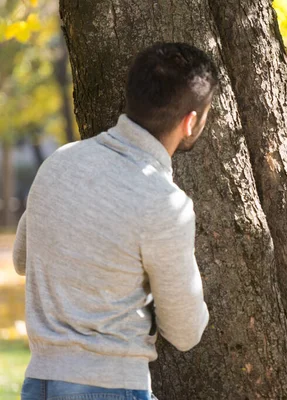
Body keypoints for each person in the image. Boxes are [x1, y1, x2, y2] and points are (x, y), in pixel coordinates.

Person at [13, 42, 218, 400]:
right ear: (190, 122)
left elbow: (21, 259)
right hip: (110, 387)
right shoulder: (164, 203)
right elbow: (186, 333)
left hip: (39, 383)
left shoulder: (59, 163)